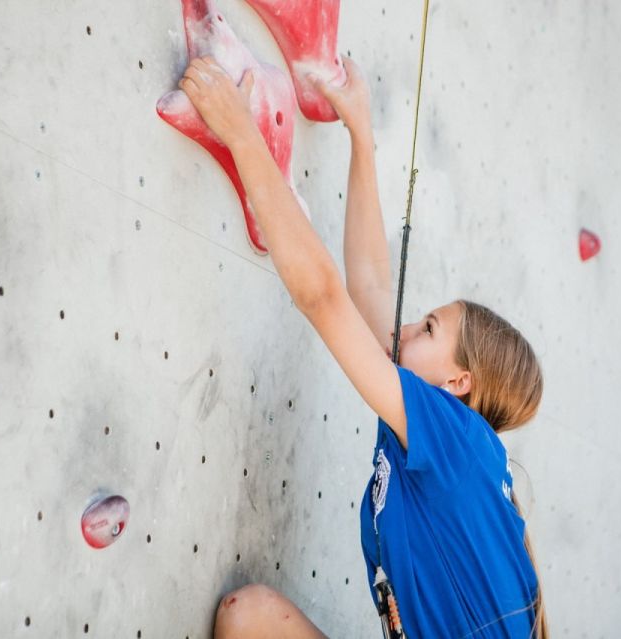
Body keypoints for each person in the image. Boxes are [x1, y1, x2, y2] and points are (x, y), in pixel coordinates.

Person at [177, 54, 547, 638]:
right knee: (247, 619)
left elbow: (325, 299)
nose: (405, 331)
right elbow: (371, 289)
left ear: (458, 383)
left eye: (427, 329)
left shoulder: (452, 439)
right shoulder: (438, 440)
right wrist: (362, 135)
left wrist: (241, 134)